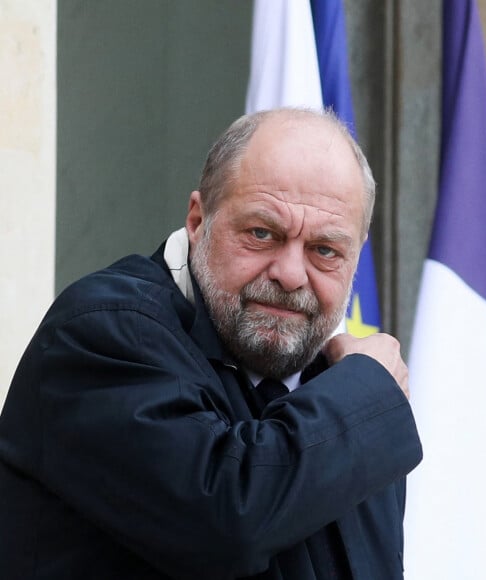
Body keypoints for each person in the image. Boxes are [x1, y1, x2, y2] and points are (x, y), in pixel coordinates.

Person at [0, 108, 422, 579]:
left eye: (325, 250)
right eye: (262, 234)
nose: (291, 274)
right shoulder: (100, 335)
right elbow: (229, 520)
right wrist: (364, 398)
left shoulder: (344, 386)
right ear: (198, 221)